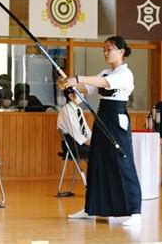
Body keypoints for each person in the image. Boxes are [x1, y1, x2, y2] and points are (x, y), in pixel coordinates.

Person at [61, 36, 142, 226]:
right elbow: (86, 88)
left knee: (123, 163)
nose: (106, 53)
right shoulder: (105, 72)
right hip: (102, 117)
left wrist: (78, 78)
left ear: (121, 52)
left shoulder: (125, 74)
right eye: (104, 50)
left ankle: (135, 212)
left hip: (116, 120)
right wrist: (69, 85)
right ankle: (92, 209)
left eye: (109, 49)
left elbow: (104, 84)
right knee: (96, 162)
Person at [57, 88, 91, 158]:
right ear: (70, 96)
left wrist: (94, 140)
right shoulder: (66, 110)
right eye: (79, 93)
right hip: (72, 145)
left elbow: (86, 129)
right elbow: (76, 133)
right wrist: (92, 144)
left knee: (101, 148)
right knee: (97, 151)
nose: (82, 95)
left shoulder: (79, 109)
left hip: (80, 143)